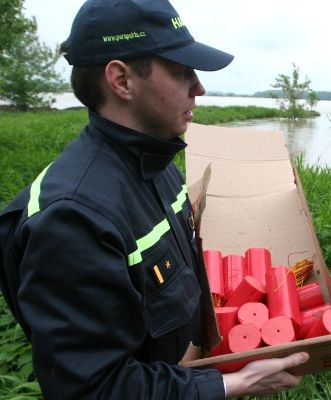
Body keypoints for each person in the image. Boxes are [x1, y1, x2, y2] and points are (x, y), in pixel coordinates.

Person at [0, 0, 309, 398]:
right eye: (181, 72)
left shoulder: (157, 160)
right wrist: (235, 383)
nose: (199, 87)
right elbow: (95, 389)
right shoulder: (73, 220)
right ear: (121, 81)